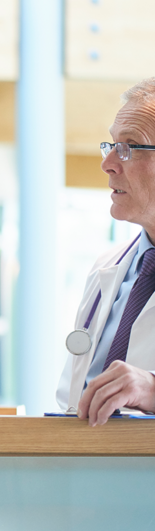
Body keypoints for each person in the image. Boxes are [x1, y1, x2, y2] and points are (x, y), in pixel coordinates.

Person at [57, 78, 155, 426]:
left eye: (129, 147)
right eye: (111, 145)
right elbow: (71, 394)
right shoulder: (108, 267)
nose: (108, 164)